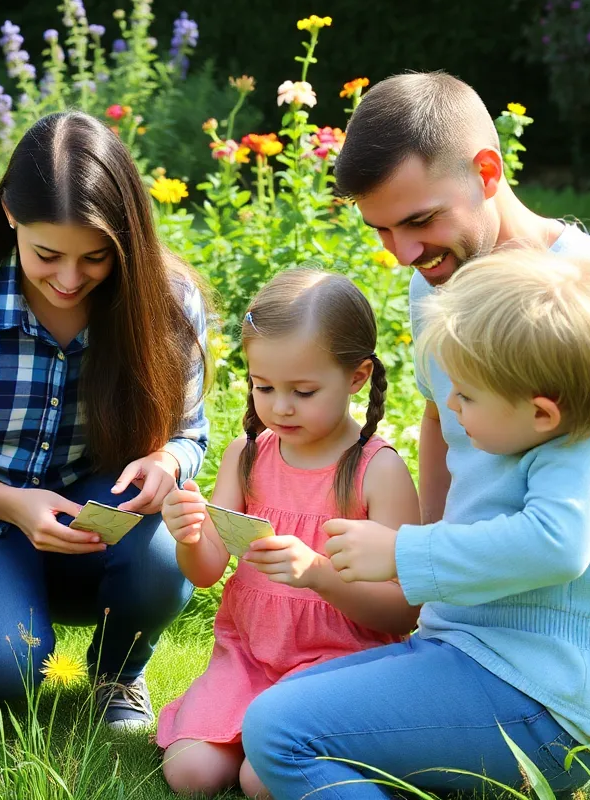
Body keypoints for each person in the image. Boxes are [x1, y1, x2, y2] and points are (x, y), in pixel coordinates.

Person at [241, 71, 590, 798]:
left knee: (281, 734)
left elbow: (562, 538)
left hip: (542, 675)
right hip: (464, 641)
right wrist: (417, 583)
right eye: (381, 229)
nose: (403, 252)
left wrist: (405, 551)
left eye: (420, 220)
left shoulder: (579, 309)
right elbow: (439, 419)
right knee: (260, 768)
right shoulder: (438, 282)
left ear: (487, 172)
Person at [0, 111, 209, 731]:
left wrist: (166, 461)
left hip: (101, 515)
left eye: (96, 258)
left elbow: (189, 433)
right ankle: (4, 624)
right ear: (10, 213)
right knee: (10, 668)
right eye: (47, 254)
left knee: (167, 549)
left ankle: (119, 673)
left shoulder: (167, 299)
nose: (69, 279)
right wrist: (9, 503)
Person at [157, 269, 420, 798]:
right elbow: (207, 573)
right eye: (263, 387)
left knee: (262, 780)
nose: (279, 407)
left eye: (303, 391)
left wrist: (320, 576)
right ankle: (229, 718)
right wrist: (188, 535)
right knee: (191, 774)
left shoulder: (378, 470)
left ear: (357, 377)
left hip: (339, 663)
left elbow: (405, 611)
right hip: (252, 654)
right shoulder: (248, 456)